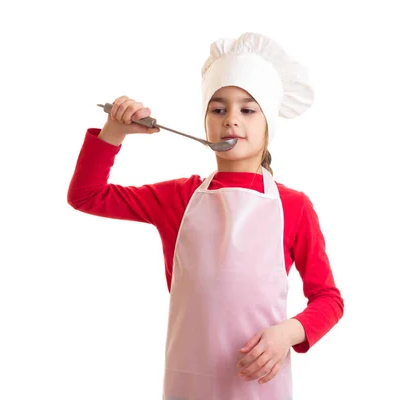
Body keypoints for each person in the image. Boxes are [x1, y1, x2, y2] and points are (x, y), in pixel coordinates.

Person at [67, 32, 344, 400]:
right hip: (190, 383)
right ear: (205, 123)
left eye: (247, 109)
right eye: (218, 109)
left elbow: (329, 299)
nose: (231, 120)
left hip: (260, 385)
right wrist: (114, 133)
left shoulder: (295, 207)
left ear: (268, 125)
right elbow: (87, 196)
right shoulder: (178, 198)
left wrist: (288, 333)